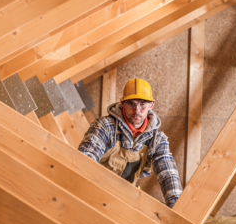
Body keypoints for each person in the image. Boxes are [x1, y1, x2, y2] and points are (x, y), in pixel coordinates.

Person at [77, 77, 182, 208]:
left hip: (126, 201)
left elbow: (168, 174)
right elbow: (86, 160)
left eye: (143, 104)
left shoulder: (157, 139)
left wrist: (177, 210)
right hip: (95, 195)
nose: (137, 110)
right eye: (131, 104)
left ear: (151, 105)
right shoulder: (105, 127)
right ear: (122, 103)